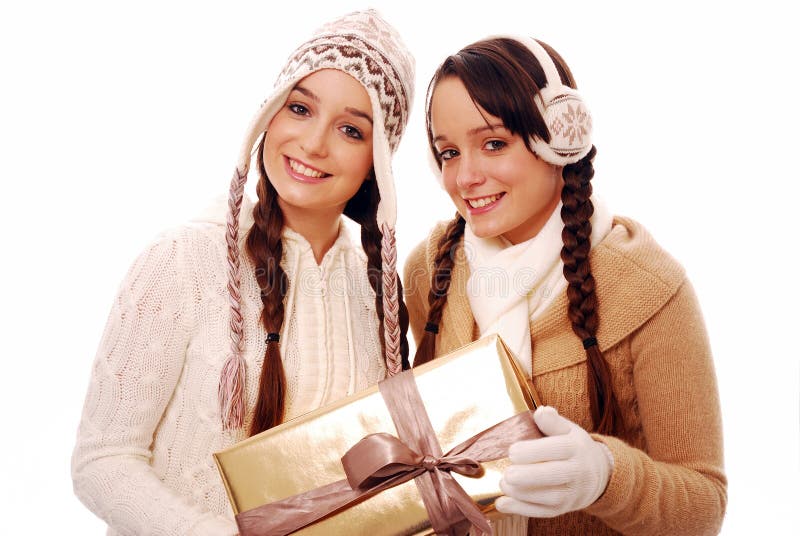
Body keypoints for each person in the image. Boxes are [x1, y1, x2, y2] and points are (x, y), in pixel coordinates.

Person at [71, 10, 414, 535]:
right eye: (300, 108)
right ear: (270, 115)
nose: (314, 143)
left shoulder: (378, 290)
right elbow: (101, 462)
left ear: (378, 160)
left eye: (350, 129)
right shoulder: (184, 258)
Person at [404, 36, 726, 535]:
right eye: (448, 152)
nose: (464, 176)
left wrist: (605, 478)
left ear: (560, 138)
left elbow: (705, 506)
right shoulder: (431, 268)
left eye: (493, 143)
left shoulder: (648, 289)